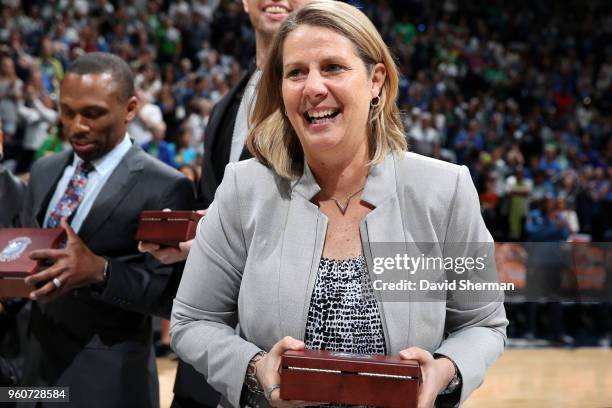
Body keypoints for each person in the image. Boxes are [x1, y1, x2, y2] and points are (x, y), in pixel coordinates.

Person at [171, 2, 508, 408]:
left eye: (333, 67)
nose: (313, 87)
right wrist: (255, 367)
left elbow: (483, 323)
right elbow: (193, 321)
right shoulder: (244, 189)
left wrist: (446, 369)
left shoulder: (444, 189)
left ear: (376, 81)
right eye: (296, 72)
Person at [140, 2, 310, 407]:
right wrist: (186, 234)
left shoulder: (327, 106)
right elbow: (216, 210)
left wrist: (213, 240)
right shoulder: (227, 104)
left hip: (290, 353)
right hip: (209, 356)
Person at [17, 52, 196, 408]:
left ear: (130, 109)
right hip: (33, 375)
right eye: (67, 111)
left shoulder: (165, 186)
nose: (77, 125)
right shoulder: (43, 171)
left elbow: (172, 297)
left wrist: (101, 270)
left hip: (107, 383)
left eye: (93, 113)